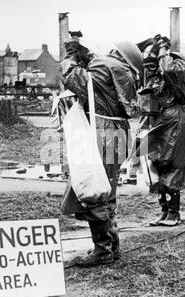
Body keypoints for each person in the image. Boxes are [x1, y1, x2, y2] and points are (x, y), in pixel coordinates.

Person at [59, 38, 142, 267]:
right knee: (108, 190)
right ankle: (111, 246)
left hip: (101, 132)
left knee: (93, 189)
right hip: (117, 132)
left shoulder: (102, 65)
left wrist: (70, 57)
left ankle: (103, 249)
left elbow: (74, 80)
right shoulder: (122, 71)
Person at [134, 34, 185, 226]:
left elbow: (168, 69)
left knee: (173, 163)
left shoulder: (177, 66)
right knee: (157, 165)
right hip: (159, 120)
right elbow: (146, 105)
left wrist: (163, 52)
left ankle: (174, 213)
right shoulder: (153, 77)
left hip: (175, 119)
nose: (151, 67)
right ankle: (164, 211)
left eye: (154, 62)